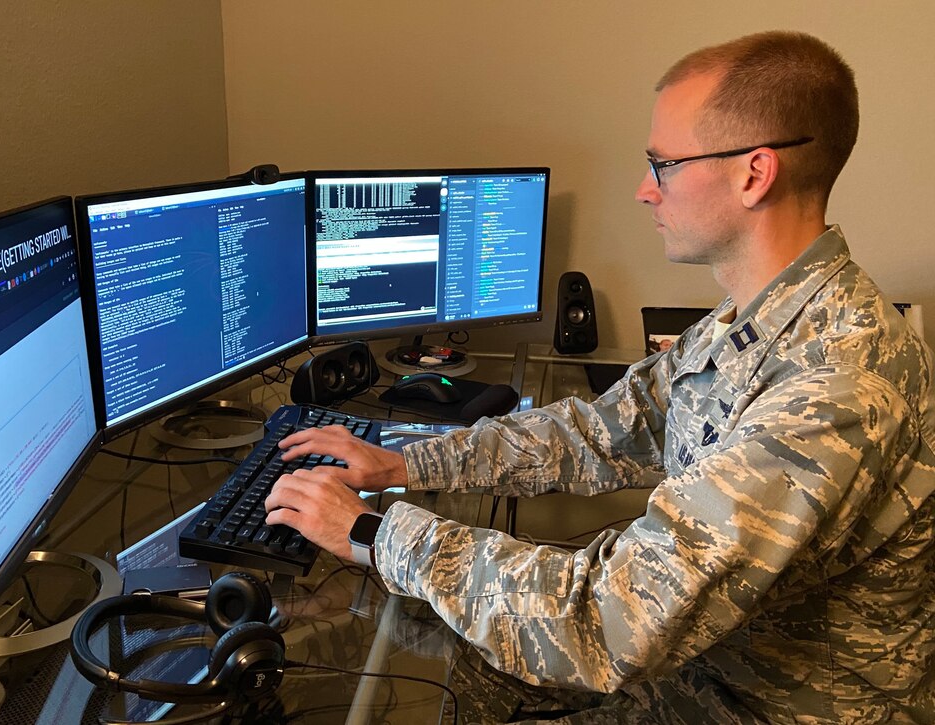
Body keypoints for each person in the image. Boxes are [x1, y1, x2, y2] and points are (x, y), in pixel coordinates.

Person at [265, 30, 935, 723]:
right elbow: (596, 430)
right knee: (470, 657)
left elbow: (610, 619)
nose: (644, 190)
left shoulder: (834, 384)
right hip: (708, 669)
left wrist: (373, 533)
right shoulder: (753, 319)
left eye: (663, 163)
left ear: (753, 173)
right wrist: (401, 463)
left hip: (765, 706)